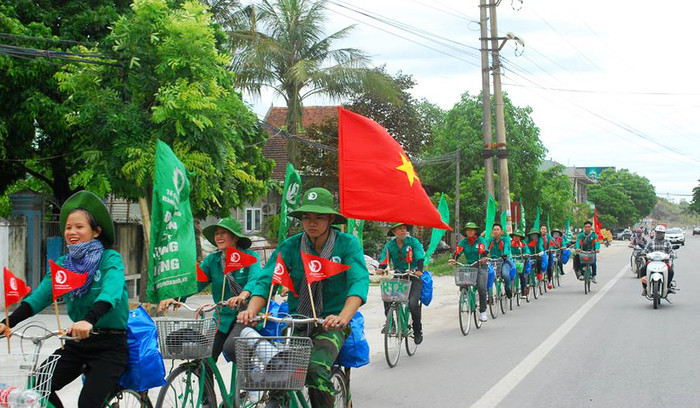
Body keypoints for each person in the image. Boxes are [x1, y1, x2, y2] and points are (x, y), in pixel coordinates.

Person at [237, 188, 369, 408]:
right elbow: (266, 280)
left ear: (331, 219)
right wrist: (252, 310)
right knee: (278, 371)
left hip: (331, 324)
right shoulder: (290, 246)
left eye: (319, 217)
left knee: (316, 370)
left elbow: (359, 282)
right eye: (306, 217)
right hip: (297, 322)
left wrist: (343, 317)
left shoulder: (347, 245)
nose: (312, 223)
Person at [0, 191, 129, 407]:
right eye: (69, 227)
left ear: (96, 231)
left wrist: (89, 320)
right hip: (76, 342)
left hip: (110, 345)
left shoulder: (110, 259)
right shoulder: (62, 264)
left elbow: (111, 293)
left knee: (87, 403)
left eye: (79, 227)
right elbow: (39, 298)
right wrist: (7, 322)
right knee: (39, 385)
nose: (72, 232)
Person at [158, 217, 260, 362]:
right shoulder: (212, 260)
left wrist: (243, 295)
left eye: (224, 233)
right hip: (222, 317)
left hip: (245, 316)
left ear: (235, 237)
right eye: (217, 233)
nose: (219, 236)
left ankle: (248, 375)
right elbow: (195, 283)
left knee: (232, 349)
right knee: (204, 358)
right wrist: (175, 298)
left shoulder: (251, 257)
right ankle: (206, 384)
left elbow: (255, 279)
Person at [377, 223, 426, 344]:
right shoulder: (390, 245)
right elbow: (384, 259)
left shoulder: (413, 242)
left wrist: (419, 270)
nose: (403, 231)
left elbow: (420, 257)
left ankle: (417, 330)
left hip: (414, 275)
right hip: (399, 275)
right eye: (400, 229)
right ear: (394, 232)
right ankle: (391, 324)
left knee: (413, 303)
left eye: (404, 228)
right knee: (387, 295)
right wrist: (380, 268)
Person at [448, 222, 488, 322]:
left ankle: (483, 311)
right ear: (465, 232)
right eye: (468, 230)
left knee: (481, 287)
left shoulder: (480, 240)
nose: (469, 231)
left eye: (472, 229)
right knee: (461, 275)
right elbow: (457, 251)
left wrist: (483, 258)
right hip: (470, 265)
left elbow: (484, 250)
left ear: (475, 231)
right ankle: (465, 294)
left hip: (480, 265)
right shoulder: (463, 242)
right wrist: (454, 259)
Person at [640, 225, 676, 296]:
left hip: (664, 263)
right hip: (651, 262)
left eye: (661, 233)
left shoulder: (667, 242)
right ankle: (645, 288)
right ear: (655, 233)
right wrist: (643, 254)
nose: (659, 234)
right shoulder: (651, 242)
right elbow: (645, 250)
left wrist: (672, 255)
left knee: (671, 272)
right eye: (658, 232)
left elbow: (671, 251)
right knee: (642, 270)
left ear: (664, 234)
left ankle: (668, 286)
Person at [485, 223, 513, 299]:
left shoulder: (505, 239)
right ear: (492, 231)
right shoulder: (490, 240)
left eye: (498, 230)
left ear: (501, 231)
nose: (496, 231)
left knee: (505, 275)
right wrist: (484, 253)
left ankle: (507, 288)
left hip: (503, 260)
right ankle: (489, 296)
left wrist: (505, 254)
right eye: (494, 230)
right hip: (492, 261)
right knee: (487, 275)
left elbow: (506, 246)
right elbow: (486, 247)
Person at [509, 229, 531, 297]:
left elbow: (527, 250)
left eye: (518, 236)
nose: (516, 237)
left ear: (520, 237)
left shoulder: (523, 244)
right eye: (515, 236)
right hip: (512, 261)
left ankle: (523, 291)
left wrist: (526, 254)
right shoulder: (510, 243)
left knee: (522, 275)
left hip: (521, 262)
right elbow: (507, 250)